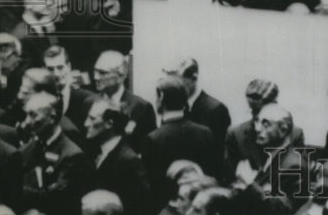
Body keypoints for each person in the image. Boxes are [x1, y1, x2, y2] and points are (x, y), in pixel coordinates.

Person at [19, 90, 94, 215]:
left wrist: (15, 189)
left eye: (33, 115)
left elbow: (53, 198)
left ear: (52, 117)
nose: (27, 121)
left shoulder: (72, 155)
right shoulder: (30, 147)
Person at [84, 98, 152, 215]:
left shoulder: (129, 161)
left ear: (109, 124)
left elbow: (139, 212)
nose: (86, 124)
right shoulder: (97, 151)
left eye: (92, 119)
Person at [143, 75, 219, 206]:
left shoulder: (153, 139)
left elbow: (152, 187)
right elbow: (212, 175)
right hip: (200, 206)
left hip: (168, 210)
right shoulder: (206, 133)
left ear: (161, 97)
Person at [92, 50, 156, 152]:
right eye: (95, 71)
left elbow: (149, 149)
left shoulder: (141, 107)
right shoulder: (90, 102)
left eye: (102, 73)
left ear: (121, 77)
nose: (95, 77)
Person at [170, 57, 231, 155]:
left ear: (194, 78)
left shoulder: (216, 110)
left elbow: (219, 153)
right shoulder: (173, 107)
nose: (174, 86)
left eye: (179, 81)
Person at [42, 43, 95, 130]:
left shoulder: (87, 99)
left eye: (60, 67)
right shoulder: (44, 100)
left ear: (69, 67)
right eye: (50, 69)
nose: (56, 74)